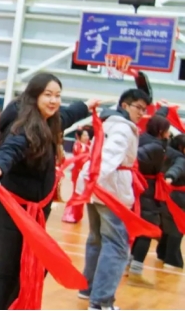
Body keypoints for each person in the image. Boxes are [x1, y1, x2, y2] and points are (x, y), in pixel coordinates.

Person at [0, 73, 96, 310]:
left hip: (35, 211)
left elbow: (67, 114)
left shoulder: (49, 121)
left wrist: (86, 106)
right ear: (34, 96)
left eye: (58, 95)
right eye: (48, 95)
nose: (54, 100)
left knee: (35, 266)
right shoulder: (26, 127)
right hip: (13, 211)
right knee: (7, 274)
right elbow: (12, 148)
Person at [76, 88, 151, 310]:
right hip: (110, 191)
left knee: (97, 240)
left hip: (98, 188)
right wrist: (94, 183)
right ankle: (101, 301)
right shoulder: (123, 128)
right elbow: (107, 157)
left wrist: (89, 185)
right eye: (138, 108)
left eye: (144, 109)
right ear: (125, 106)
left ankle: (88, 289)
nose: (142, 113)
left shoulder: (108, 122)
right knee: (117, 245)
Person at [128, 114, 185, 287]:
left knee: (139, 228)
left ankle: (128, 264)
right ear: (161, 131)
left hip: (135, 187)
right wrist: (169, 177)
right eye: (167, 130)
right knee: (149, 230)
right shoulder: (159, 148)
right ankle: (135, 272)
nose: (169, 134)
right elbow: (178, 166)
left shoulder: (140, 139)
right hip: (150, 191)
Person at [156, 133, 185, 270]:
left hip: (164, 194)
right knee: (177, 228)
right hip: (177, 197)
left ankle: (162, 253)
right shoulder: (180, 159)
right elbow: (177, 169)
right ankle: (172, 260)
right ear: (181, 146)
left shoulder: (166, 153)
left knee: (167, 226)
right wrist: (170, 177)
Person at [62, 126, 93, 224]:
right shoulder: (77, 145)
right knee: (76, 193)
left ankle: (77, 215)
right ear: (79, 137)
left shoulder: (88, 145)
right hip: (78, 172)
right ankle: (71, 214)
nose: (87, 137)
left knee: (81, 193)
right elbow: (80, 159)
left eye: (87, 135)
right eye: (84, 135)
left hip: (85, 172)